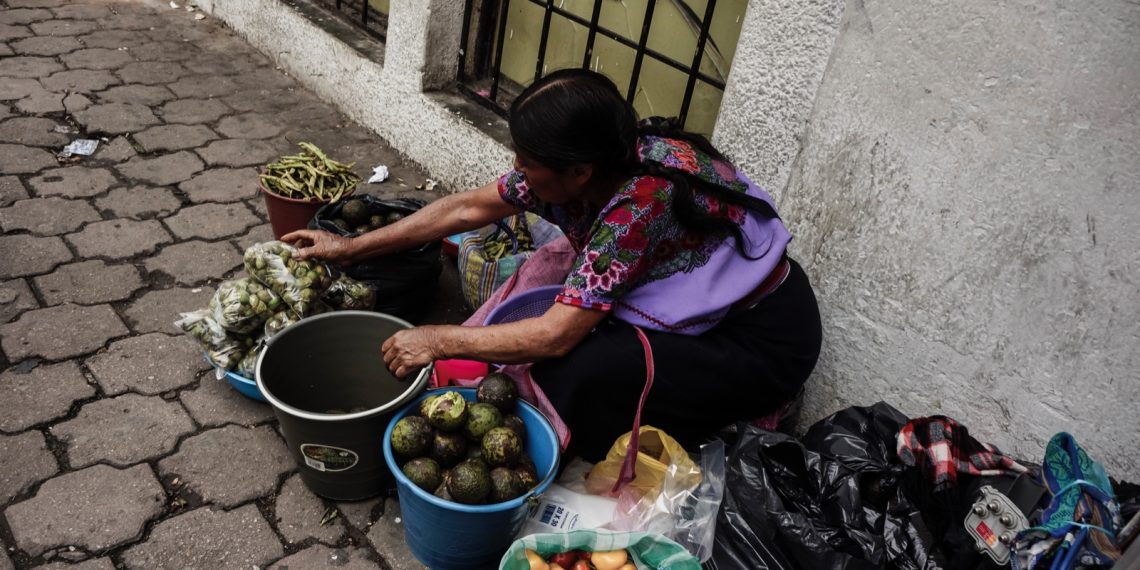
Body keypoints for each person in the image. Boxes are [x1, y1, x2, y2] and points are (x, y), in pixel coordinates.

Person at [283, 69, 822, 462]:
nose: (517, 170)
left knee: (573, 370)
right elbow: (469, 206)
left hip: (761, 340)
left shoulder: (638, 209)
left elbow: (555, 336)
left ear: (580, 171)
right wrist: (348, 248)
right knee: (547, 269)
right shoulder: (606, 156)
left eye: (527, 161)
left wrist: (436, 339)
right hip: (700, 294)